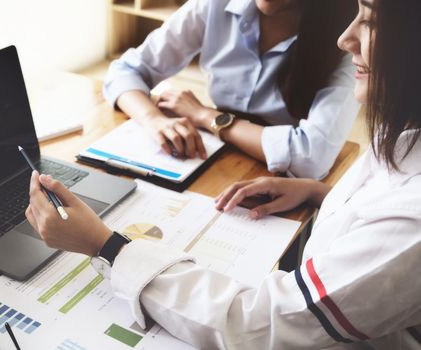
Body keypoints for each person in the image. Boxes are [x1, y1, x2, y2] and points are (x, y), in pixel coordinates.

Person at [26, 0, 421, 348]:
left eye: (369, 20)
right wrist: (321, 192)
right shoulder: (405, 138)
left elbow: (256, 325)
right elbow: (128, 69)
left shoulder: (412, 216)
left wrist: (105, 246)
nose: (346, 39)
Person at [103, 0, 360, 179]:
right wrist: (154, 120)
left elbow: (311, 158)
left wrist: (207, 116)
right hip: (216, 156)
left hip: (278, 175)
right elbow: (125, 70)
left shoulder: (348, 39)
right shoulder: (215, 4)